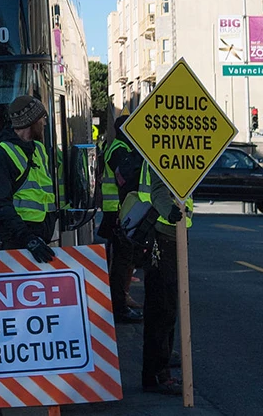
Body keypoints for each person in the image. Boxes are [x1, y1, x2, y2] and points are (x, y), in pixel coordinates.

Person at [138, 160, 192, 396]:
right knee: (162, 308)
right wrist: (169, 212)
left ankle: (160, 364)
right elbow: (158, 189)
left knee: (165, 307)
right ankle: (158, 373)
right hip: (162, 235)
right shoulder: (161, 151)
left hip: (170, 235)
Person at [0, 95, 57, 264]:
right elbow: (1, 205)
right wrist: (28, 239)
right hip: (16, 241)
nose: (45, 123)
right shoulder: (1, 154)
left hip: (40, 239)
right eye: (42, 118)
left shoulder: (39, 149)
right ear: (31, 121)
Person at [98, 115, 144, 323]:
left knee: (123, 260)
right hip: (117, 210)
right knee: (120, 261)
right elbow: (125, 180)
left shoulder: (118, 147)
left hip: (118, 210)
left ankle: (121, 300)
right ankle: (119, 306)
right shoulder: (119, 150)